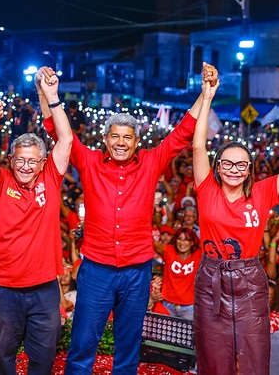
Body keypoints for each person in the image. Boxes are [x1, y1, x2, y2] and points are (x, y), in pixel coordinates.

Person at [44, 62, 218, 374]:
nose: (121, 142)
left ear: (137, 141)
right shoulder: (90, 162)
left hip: (137, 270)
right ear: (105, 140)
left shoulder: (151, 162)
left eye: (127, 137)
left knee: (128, 348)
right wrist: (47, 94)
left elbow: (182, 133)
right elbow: (60, 134)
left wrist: (205, 95)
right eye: (115, 136)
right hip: (96, 269)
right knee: (82, 344)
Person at [0, 66, 73, 375]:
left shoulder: (51, 178)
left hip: (44, 287)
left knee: (44, 355)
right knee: (4, 354)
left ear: (43, 162)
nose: (26, 166)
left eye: (32, 160)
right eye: (20, 159)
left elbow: (66, 139)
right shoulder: (1, 180)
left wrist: (52, 95)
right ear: (11, 160)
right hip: (5, 286)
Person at [191, 71, 279, 375]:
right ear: (218, 168)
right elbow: (197, 146)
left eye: (241, 164)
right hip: (211, 279)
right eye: (228, 163)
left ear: (249, 170)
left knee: (253, 357)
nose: (234, 169)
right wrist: (207, 97)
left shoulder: (263, 192)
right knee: (213, 357)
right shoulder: (206, 188)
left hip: (250, 281)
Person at [154, 227, 201, 319]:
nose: (182, 243)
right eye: (179, 239)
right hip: (167, 305)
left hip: (189, 308)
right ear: (175, 240)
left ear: (192, 242)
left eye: (186, 239)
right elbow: (150, 242)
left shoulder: (199, 254)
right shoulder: (168, 251)